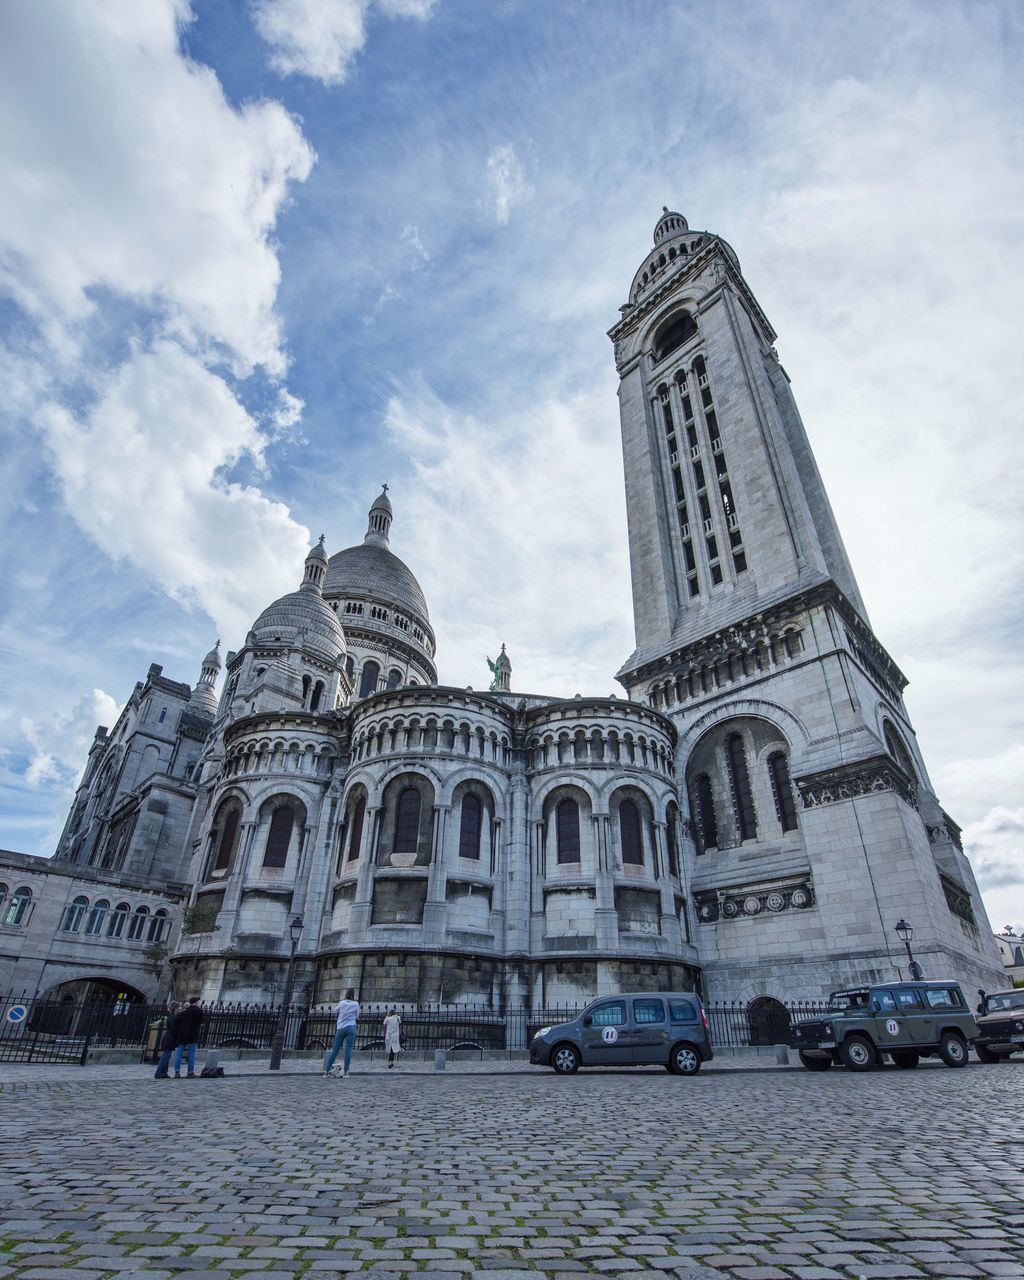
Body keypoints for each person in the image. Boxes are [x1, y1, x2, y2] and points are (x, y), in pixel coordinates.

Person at [323, 987, 359, 1078]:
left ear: (346, 994)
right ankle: (346, 1073)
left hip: (341, 1027)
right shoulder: (355, 1004)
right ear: (353, 994)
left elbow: (335, 1011)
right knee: (348, 1050)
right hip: (351, 1027)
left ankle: (326, 1072)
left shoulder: (342, 1003)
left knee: (335, 1050)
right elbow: (357, 1015)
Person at [173, 995, 204, 1078]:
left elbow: (178, 1022)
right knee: (191, 1054)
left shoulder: (184, 1013)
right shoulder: (199, 1012)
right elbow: (200, 1023)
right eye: (198, 1001)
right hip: (192, 1035)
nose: (198, 1003)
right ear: (196, 1002)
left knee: (179, 1054)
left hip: (182, 1035)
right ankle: (190, 1072)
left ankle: (177, 1072)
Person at [154, 1001, 181, 1079]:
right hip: (169, 1038)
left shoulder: (172, 1016)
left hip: (169, 1038)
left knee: (167, 1056)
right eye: (178, 1008)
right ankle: (159, 1073)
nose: (179, 1009)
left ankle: (164, 1072)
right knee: (165, 1056)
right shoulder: (172, 1017)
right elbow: (173, 1029)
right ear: (175, 1009)